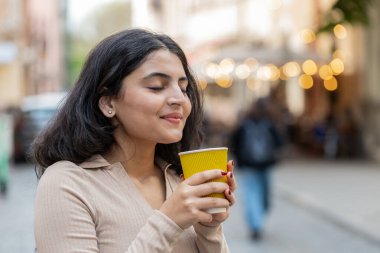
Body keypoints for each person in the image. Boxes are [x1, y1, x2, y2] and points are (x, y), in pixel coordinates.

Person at [31, 28, 236, 253]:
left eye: (184, 88)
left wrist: (209, 228)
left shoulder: (180, 180)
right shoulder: (67, 184)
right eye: (157, 86)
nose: (179, 99)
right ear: (108, 103)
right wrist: (169, 221)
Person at [230, 98, 283, 240]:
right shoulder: (270, 124)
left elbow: (234, 143)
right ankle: (257, 221)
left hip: (248, 165)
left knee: (251, 194)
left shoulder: (243, 124)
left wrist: (239, 159)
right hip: (266, 165)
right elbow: (279, 143)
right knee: (264, 195)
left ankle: (255, 223)